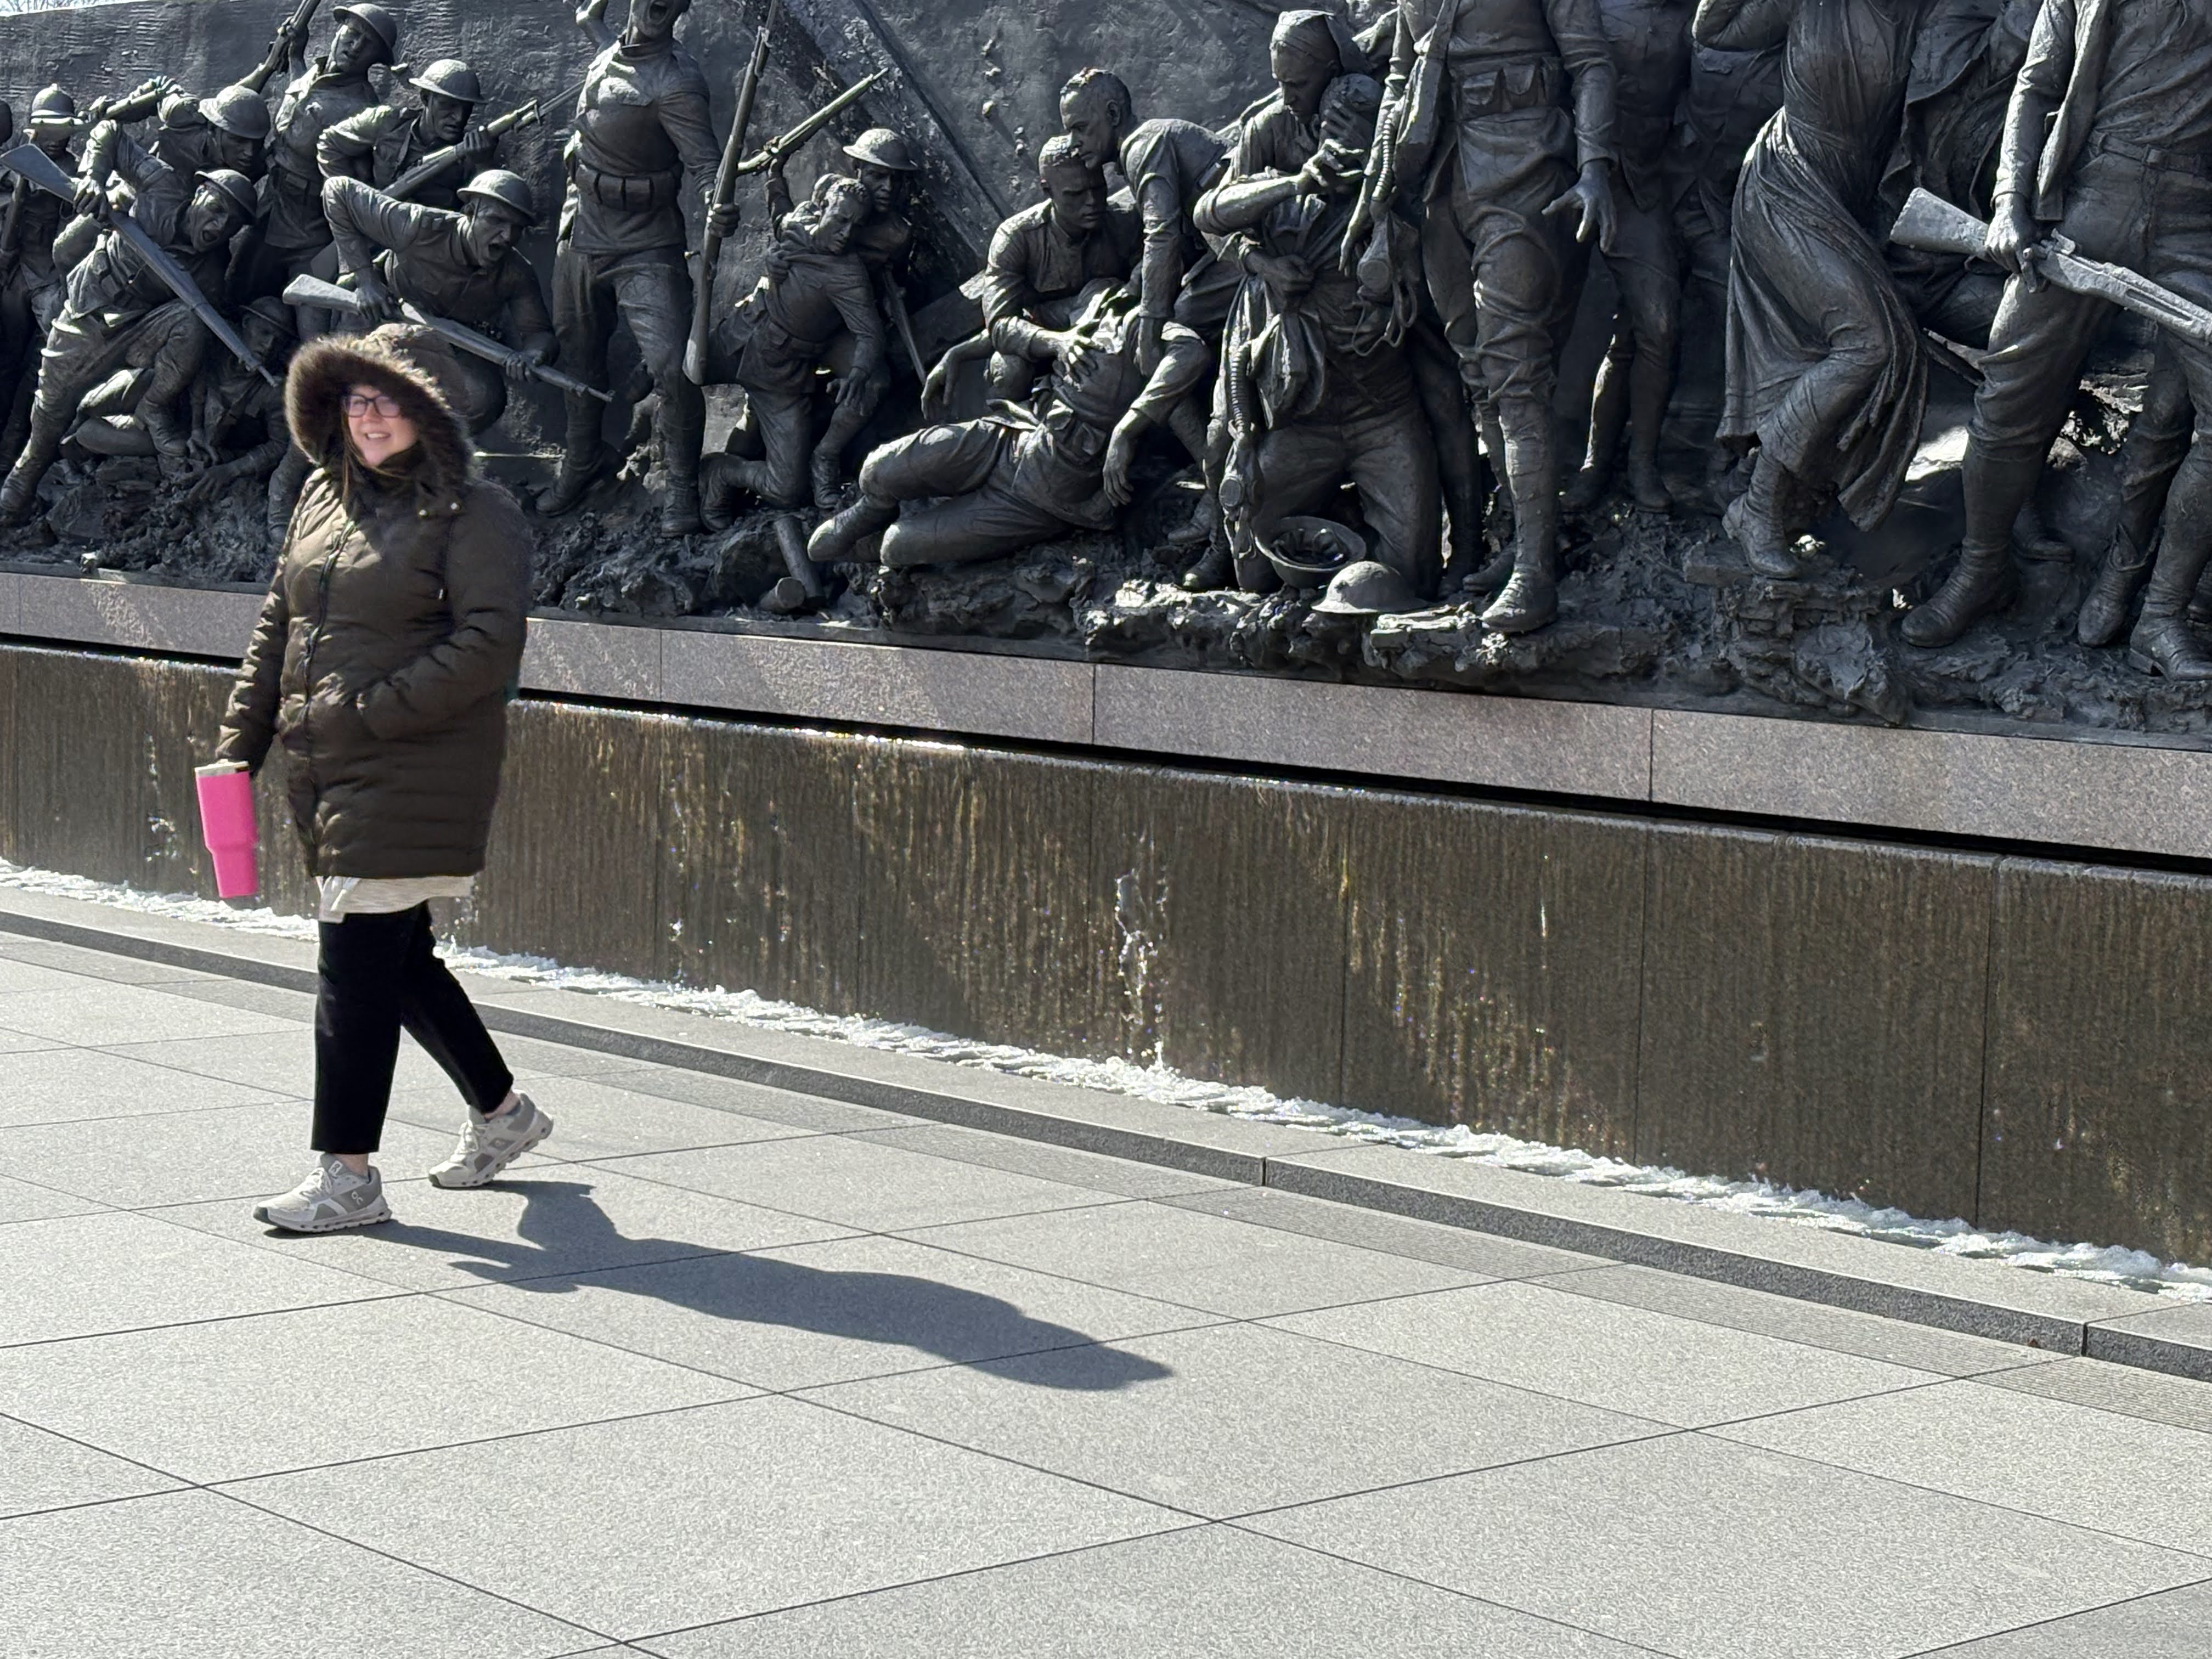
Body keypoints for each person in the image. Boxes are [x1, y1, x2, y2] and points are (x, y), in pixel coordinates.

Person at [216, 323, 551, 1232]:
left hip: (410, 763)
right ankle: (505, 1114)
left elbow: (491, 643)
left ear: (430, 410)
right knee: (397, 958)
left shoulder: (477, 512)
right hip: (329, 764)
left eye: (389, 400)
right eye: (356, 399)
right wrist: (239, 743)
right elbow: (276, 629)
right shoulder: (326, 498)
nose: (369, 417)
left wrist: (367, 713)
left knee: (354, 966)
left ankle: (348, 1175)